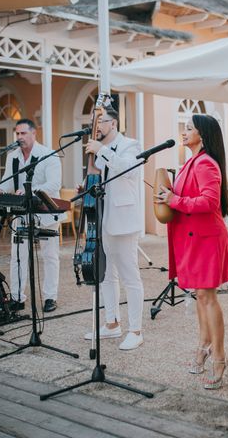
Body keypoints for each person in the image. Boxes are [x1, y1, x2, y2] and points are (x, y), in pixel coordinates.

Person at [154, 113, 228, 390]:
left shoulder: (206, 164)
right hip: (195, 237)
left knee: (208, 298)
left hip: (206, 238)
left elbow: (209, 202)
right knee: (201, 295)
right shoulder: (192, 162)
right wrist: (167, 195)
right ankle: (203, 345)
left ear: (203, 134)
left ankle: (220, 358)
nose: (183, 132)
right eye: (184, 128)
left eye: (189, 128)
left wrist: (174, 199)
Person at [82, 106, 145, 350]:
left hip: (123, 219)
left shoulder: (131, 144)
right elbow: (101, 179)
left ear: (114, 123)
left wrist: (102, 151)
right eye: (94, 123)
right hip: (101, 218)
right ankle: (111, 323)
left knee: (130, 276)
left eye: (101, 121)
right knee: (106, 275)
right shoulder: (100, 151)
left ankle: (136, 330)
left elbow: (129, 170)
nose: (96, 126)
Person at [0, 118, 64, 313]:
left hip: (47, 213)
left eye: (23, 133)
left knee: (49, 256)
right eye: (17, 134)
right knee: (18, 257)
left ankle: (50, 297)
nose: (20, 137)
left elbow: (54, 185)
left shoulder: (49, 155)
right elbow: (8, 181)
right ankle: (17, 298)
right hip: (21, 214)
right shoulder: (13, 156)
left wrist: (29, 190)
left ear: (34, 134)